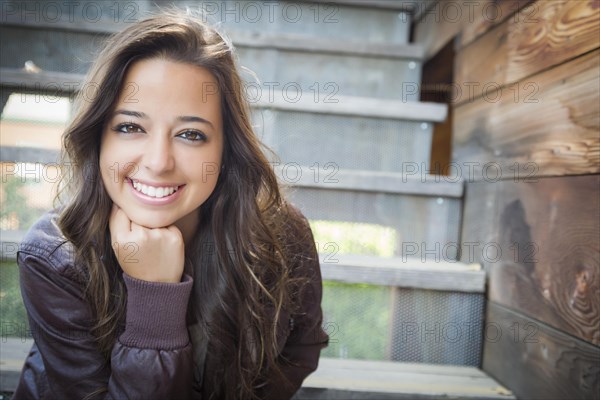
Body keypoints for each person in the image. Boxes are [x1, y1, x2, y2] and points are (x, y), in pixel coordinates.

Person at [13, 9, 328, 400]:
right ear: (98, 138)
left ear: (227, 149)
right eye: (130, 127)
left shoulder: (279, 234)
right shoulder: (55, 258)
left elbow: (300, 349)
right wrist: (154, 293)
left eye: (191, 134)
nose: (159, 162)